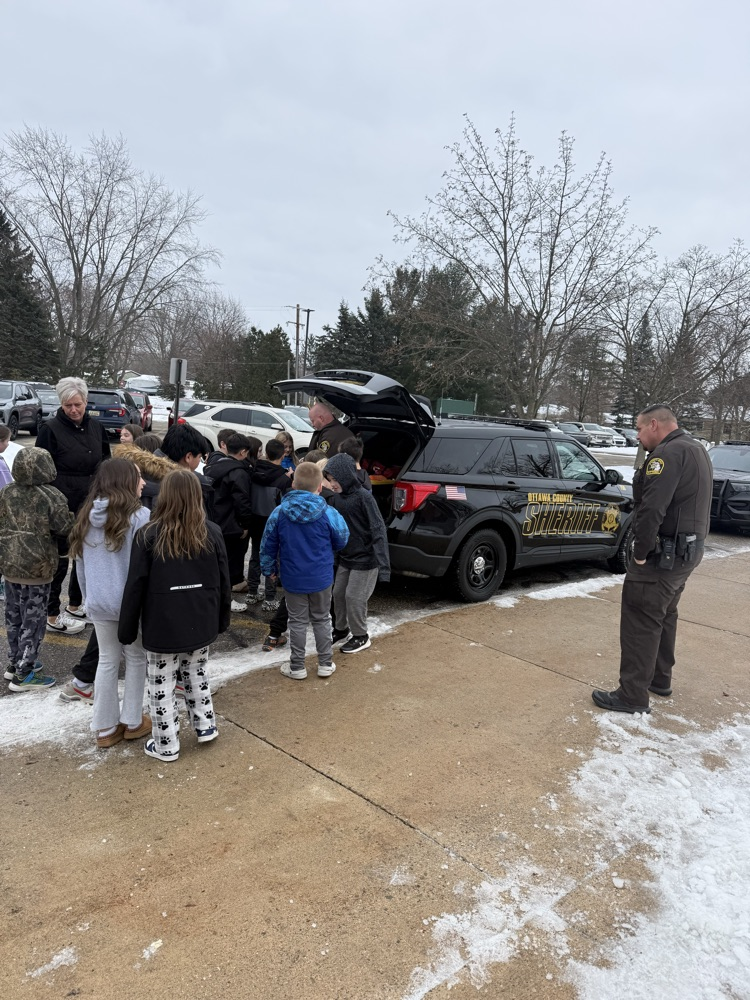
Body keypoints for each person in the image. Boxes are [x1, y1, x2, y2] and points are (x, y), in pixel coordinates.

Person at [592, 404, 712, 714]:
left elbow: (651, 510)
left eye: (639, 428)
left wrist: (641, 552)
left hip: (663, 555)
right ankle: (659, 678)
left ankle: (632, 695)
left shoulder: (666, 455)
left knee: (640, 619)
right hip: (688, 552)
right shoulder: (695, 448)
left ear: (655, 425)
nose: (637, 434)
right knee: (664, 614)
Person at [119, 469, 232, 761]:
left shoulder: (148, 535)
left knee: (161, 684)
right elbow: (223, 581)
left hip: (162, 624)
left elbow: (135, 586)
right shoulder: (212, 531)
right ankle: (206, 725)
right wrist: (222, 619)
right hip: (201, 618)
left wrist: (127, 628)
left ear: (164, 496)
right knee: (197, 673)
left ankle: (167, 743)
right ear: (197, 497)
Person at [68, 458, 152, 747]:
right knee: (136, 658)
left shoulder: (86, 515)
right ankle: (132, 720)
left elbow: (79, 565)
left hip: (100, 602)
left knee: (106, 661)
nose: (142, 483)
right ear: (126, 481)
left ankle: (104, 729)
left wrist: (89, 597)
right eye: (138, 478)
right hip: (132, 603)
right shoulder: (140, 517)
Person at [260, 462, 348, 680]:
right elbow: (342, 539)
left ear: (293, 484)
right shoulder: (329, 513)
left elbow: (267, 545)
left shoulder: (279, 513)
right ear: (319, 487)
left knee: (297, 621)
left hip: (292, 578)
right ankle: (325, 663)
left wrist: (268, 570)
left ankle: (297, 667)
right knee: (322, 618)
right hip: (322, 577)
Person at [36, 376, 110, 634]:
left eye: (77, 404)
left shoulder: (96, 427)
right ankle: (52, 613)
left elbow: (105, 461)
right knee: (60, 560)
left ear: (86, 402)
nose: (73, 410)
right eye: (68, 405)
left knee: (87, 555)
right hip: (61, 503)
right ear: (61, 405)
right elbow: (40, 471)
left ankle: (77, 604)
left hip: (91, 500)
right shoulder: (50, 429)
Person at [0, 448, 75, 690]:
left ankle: (14, 663)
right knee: (34, 619)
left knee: (14, 615)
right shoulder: (52, 495)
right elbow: (65, 526)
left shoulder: (6, 492)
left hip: (9, 564)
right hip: (38, 568)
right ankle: (26, 672)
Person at [322, 453, 390, 654]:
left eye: (335, 479)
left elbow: (378, 529)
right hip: (346, 557)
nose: (332, 484)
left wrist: (384, 567)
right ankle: (341, 630)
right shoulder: (337, 498)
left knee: (354, 597)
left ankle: (361, 636)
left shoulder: (364, 497)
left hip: (366, 559)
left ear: (346, 476)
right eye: (329, 480)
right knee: (338, 594)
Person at [202, 432, 256, 602]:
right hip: (233, 525)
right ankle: (230, 590)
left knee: (218, 557)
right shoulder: (239, 473)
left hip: (213, 521)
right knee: (234, 557)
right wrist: (246, 524)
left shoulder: (212, 467)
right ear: (243, 452)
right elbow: (242, 501)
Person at [246, 439, 293, 611]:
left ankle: (252, 592)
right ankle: (270, 597)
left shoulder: (254, 471)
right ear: (282, 455)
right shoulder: (283, 478)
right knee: (273, 558)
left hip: (255, 519)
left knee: (255, 555)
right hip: (273, 522)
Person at [159, 423, 217, 521]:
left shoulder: (138, 473)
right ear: (188, 457)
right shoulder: (190, 487)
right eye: (200, 457)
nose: (200, 461)